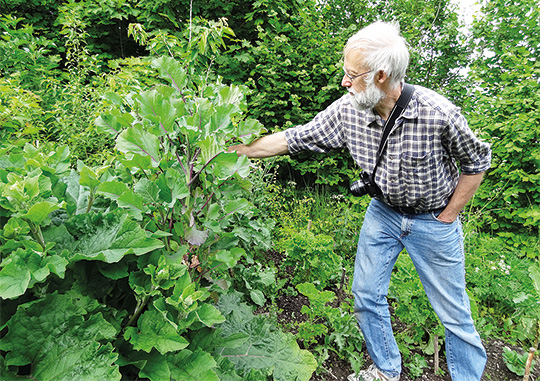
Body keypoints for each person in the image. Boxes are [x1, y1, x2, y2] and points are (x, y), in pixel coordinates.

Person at [229, 21, 491, 381]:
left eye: (352, 74)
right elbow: (294, 138)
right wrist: (235, 151)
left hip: (434, 221)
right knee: (366, 295)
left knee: (454, 314)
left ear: (381, 75)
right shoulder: (347, 110)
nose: (344, 82)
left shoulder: (437, 113)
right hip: (383, 214)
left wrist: (449, 215)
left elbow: (476, 161)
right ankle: (386, 371)